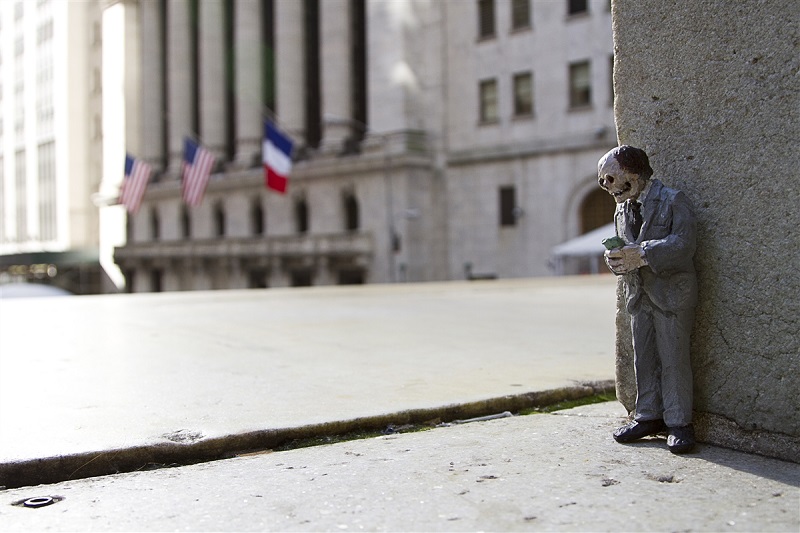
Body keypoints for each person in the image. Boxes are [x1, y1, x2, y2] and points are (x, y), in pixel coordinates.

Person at [597, 145, 698, 454]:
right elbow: (624, 246)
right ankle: (647, 416)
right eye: (603, 182)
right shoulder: (622, 209)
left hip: (671, 296)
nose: (608, 188)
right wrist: (614, 258)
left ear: (633, 174)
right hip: (639, 295)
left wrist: (642, 254)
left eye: (611, 179)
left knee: (673, 358)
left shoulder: (673, 201)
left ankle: (680, 422)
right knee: (644, 358)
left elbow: (684, 244)